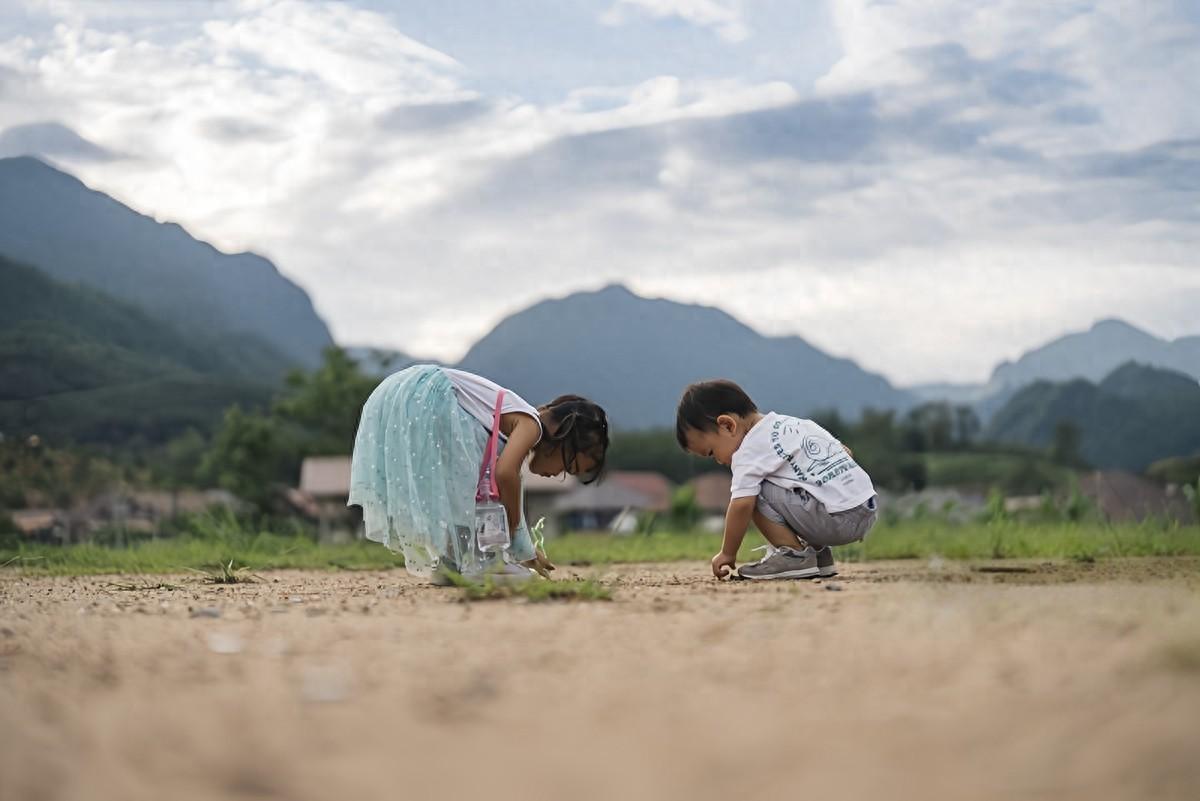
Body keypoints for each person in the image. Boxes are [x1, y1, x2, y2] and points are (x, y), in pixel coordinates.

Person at [348, 364, 608, 583]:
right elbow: (506, 474)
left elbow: (504, 478)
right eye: (568, 467)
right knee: (481, 484)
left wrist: (525, 550)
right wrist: (512, 532)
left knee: (467, 483)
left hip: (402, 392)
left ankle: (452, 559)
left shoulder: (511, 424)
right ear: (564, 442)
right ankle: (482, 562)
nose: (559, 474)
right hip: (432, 395)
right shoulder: (531, 425)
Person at [675, 379, 877, 580]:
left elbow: (742, 505)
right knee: (794, 480)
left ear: (728, 426)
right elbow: (846, 452)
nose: (719, 461)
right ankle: (819, 556)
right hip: (865, 509)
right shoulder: (796, 424)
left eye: (711, 452)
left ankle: (793, 556)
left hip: (835, 522)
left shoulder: (748, 451)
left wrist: (727, 553)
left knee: (751, 492)